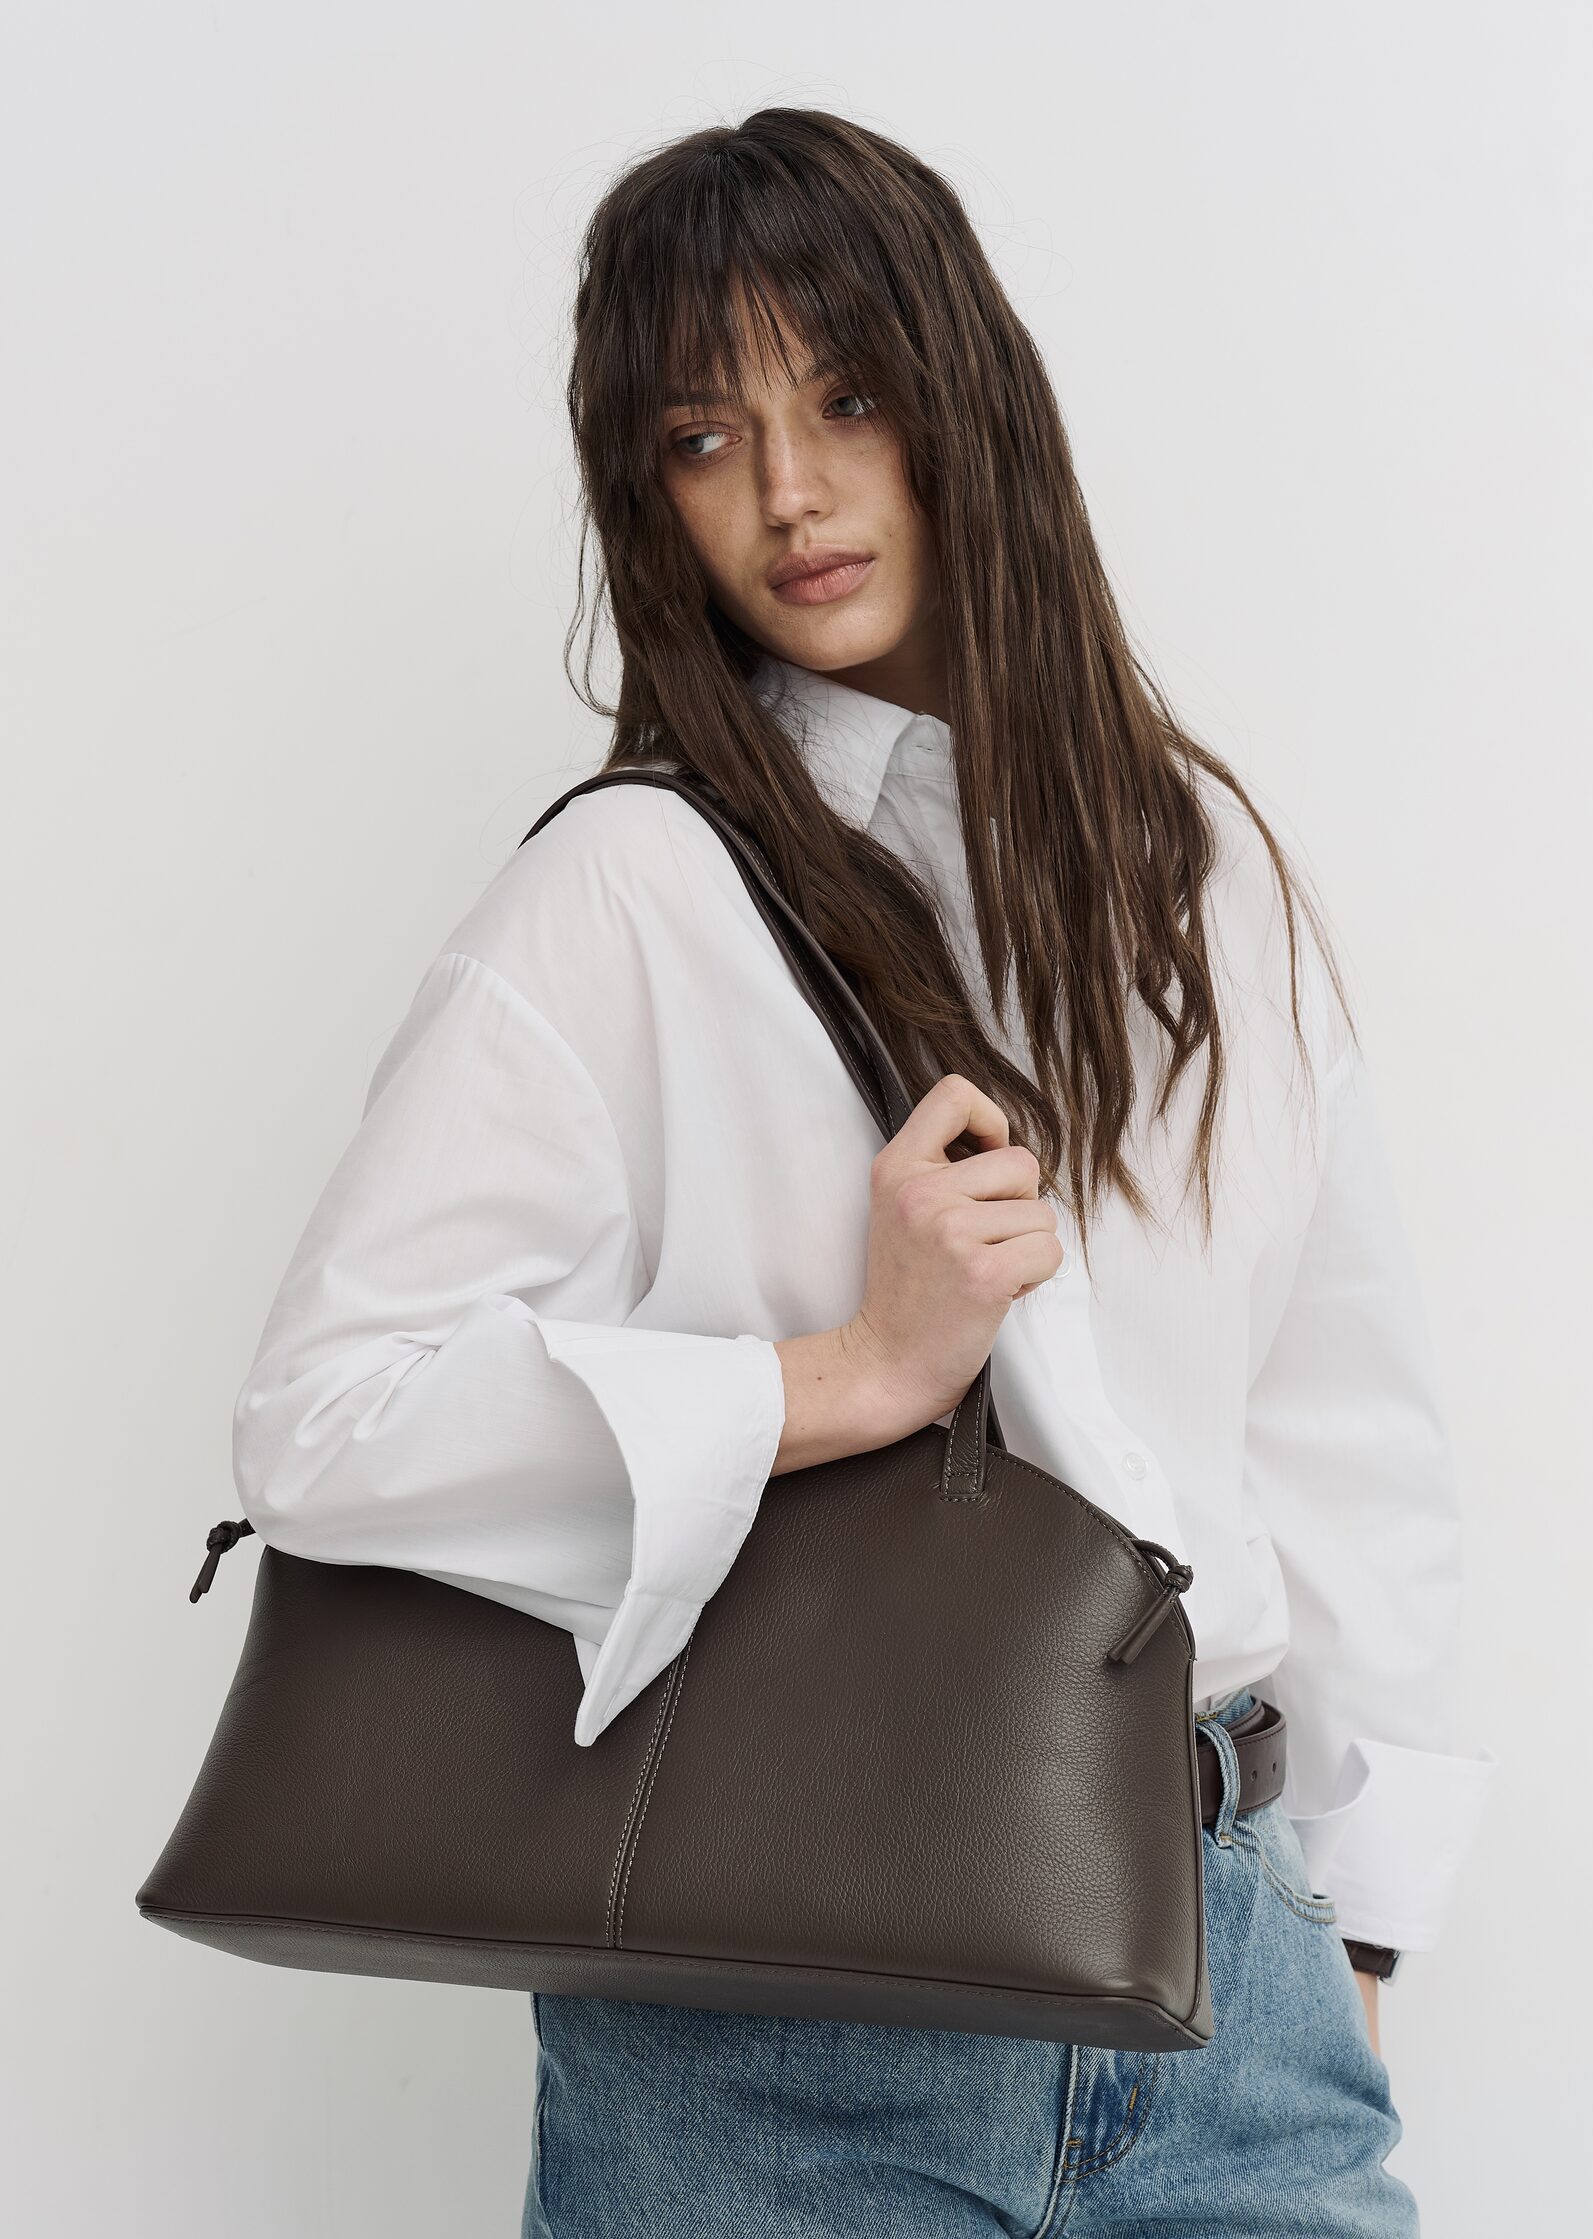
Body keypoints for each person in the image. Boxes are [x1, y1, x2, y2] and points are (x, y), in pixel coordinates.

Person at [231, 108, 1493, 2236]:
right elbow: (322, 1423)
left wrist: (1352, 1937)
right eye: (703, 438)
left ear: (962, 398)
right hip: (781, 2022)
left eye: (846, 397)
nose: (790, 495)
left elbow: (1335, 1427)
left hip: (1228, 1983)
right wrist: (850, 1375)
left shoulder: (1195, 876)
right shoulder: (635, 888)